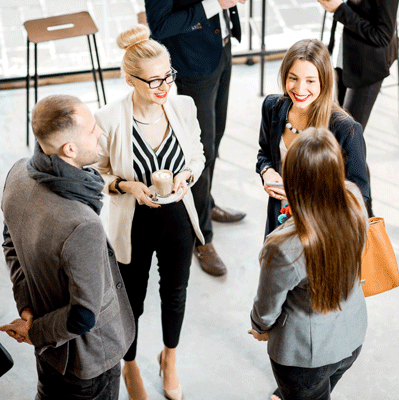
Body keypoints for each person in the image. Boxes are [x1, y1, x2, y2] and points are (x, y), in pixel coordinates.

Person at [93, 24, 205, 400]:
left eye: (168, 75)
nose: (164, 86)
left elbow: (197, 156)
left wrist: (186, 176)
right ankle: (129, 364)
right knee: (132, 299)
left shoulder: (183, 107)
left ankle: (169, 358)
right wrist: (127, 186)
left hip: (177, 218)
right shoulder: (108, 119)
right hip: (133, 222)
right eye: (154, 79)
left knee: (175, 292)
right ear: (129, 79)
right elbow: (97, 172)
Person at [0, 94, 135, 399]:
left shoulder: (18, 173)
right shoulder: (81, 223)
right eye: (91, 129)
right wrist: (32, 332)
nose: (100, 132)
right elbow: (83, 316)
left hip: (49, 351)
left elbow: (9, 240)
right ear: (70, 149)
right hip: (88, 363)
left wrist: (27, 308)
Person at [250, 127, 369, 400]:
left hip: (304, 357)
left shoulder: (282, 246)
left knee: (308, 391)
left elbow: (266, 308)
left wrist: (259, 328)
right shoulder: (354, 198)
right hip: (352, 335)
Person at [145, 0, 247, 276]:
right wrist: (216, 4)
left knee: (217, 137)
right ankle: (202, 237)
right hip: (193, 60)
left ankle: (207, 204)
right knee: (201, 152)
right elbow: (160, 25)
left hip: (221, 48)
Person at [256, 38, 369, 237]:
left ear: (323, 82)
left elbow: (359, 195)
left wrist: (303, 195)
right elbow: (264, 153)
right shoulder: (272, 108)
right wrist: (267, 171)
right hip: (279, 224)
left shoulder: (346, 130)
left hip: (324, 235)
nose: (299, 89)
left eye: (310, 81)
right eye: (293, 78)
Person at [318, 0, 399, 217]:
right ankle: (354, 212)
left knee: (348, 144)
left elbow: (382, 35)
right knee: (343, 142)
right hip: (344, 61)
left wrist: (339, 10)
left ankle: (367, 219)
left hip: (367, 68)